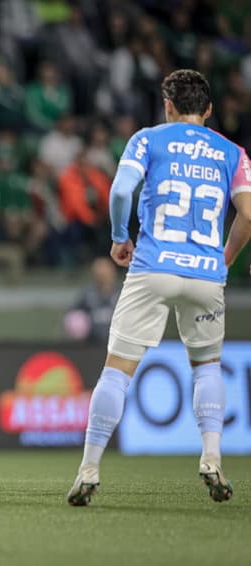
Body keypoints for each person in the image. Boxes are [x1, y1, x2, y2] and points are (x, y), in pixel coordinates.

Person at [66, 69, 251, 506]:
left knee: (116, 373)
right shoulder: (233, 152)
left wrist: (117, 237)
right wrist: (225, 257)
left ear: (167, 106)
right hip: (206, 275)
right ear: (208, 109)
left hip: (153, 267)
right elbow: (248, 214)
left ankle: (89, 468)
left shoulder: (148, 139)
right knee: (207, 366)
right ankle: (211, 455)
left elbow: (120, 192)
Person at [64, 257, 121, 343]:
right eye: (99, 269)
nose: (102, 273)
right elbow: (72, 315)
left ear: (113, 271)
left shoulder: (122, 293)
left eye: (105, 269)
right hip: (91, 343)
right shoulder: (87, 294)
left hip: (118, 342)